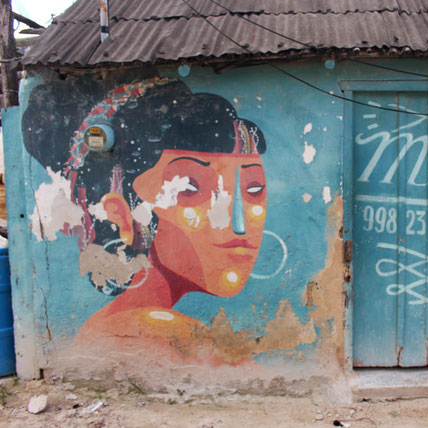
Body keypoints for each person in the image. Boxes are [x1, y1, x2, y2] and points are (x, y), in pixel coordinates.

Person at [22, 76, 267, 363]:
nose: (237, 222)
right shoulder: (172, 339)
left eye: (254, 189)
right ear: (122, 215)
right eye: (190, 189)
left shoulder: (114, 326)